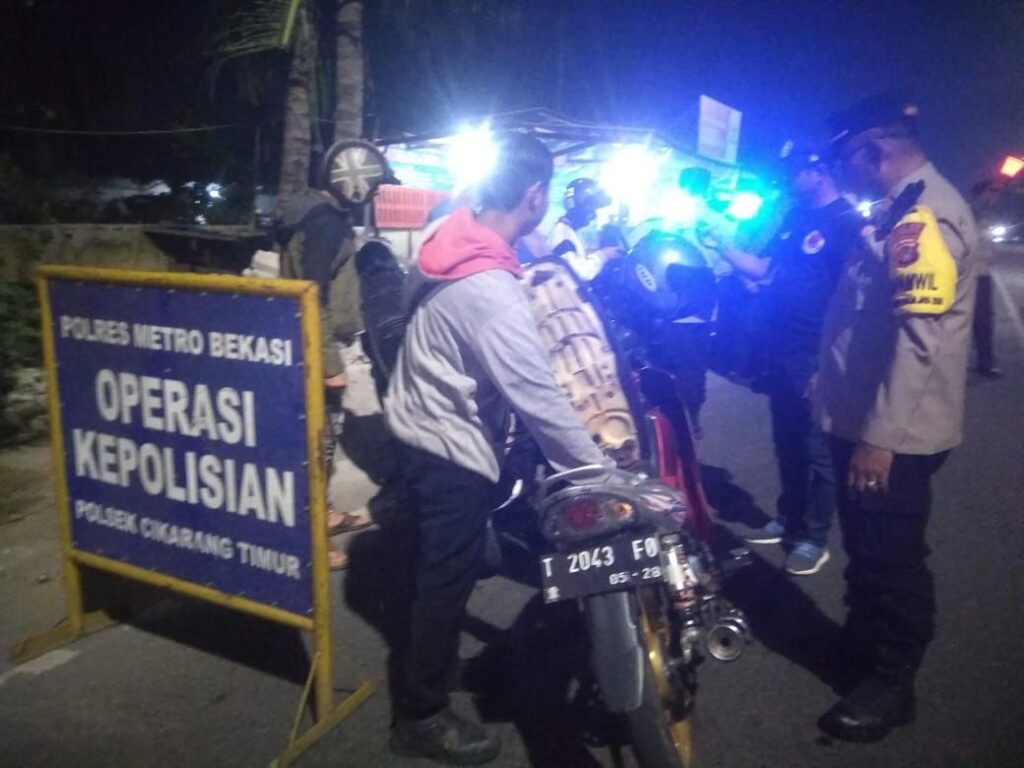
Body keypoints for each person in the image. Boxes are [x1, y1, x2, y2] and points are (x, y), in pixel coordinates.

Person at [384, 134, 612, 764]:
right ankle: (420, 715)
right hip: (447, 445)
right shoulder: (488, 289)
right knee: (447, 577)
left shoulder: (452, 234)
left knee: (459, 557)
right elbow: (539, 399)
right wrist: (601, 472)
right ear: (534, 195)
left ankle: (438, 665)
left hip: (418, 420)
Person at [816, 92, 976, 742]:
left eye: (844, 160)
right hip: (863, 417)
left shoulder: (924, 217)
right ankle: (864, 647)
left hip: (893, 433)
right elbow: (866, 318)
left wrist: (881, 439)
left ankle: (892, 682)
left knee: (891, 559)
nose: (841, 173)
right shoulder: (899, 209)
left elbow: (919, 340)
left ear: (875, 152)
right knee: (866, 550)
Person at [707, 146, 861, 576]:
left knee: (818, 451)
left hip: (816, 352)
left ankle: (814, 536)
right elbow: (764, 269)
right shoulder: (795, 217)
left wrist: (828, 365)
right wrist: (722, 244)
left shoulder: (847, 222)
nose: (788, 179)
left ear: (819, 171)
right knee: (787, 441)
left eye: (796, 171)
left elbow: (856, 300)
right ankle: (789, 515)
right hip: (781, 349)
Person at [279, 190, 372, 569]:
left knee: (321, 442)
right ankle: (313, 541)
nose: (375, 193)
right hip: (319, 349)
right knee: (319, 447)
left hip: (309, 344)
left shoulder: (310, 216)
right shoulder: (326, 224)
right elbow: (314, 297)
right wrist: (330, 364)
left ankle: (326, 514)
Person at [546, 177, 621, 280]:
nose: (594, 215)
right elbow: (578, 273)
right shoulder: (563, 236)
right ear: (580, 209)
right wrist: (603, 255)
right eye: (592, 209)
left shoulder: (567, 232)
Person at [969, 179, 1002, 378]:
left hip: (983, 275)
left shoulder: (986, 218)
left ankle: (985, 363)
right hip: (966, 277)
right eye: (991, 192)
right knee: (959, 321)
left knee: (984, 321)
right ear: (980, 194)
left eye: (997, 193)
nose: (994, 198)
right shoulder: (966, 215)